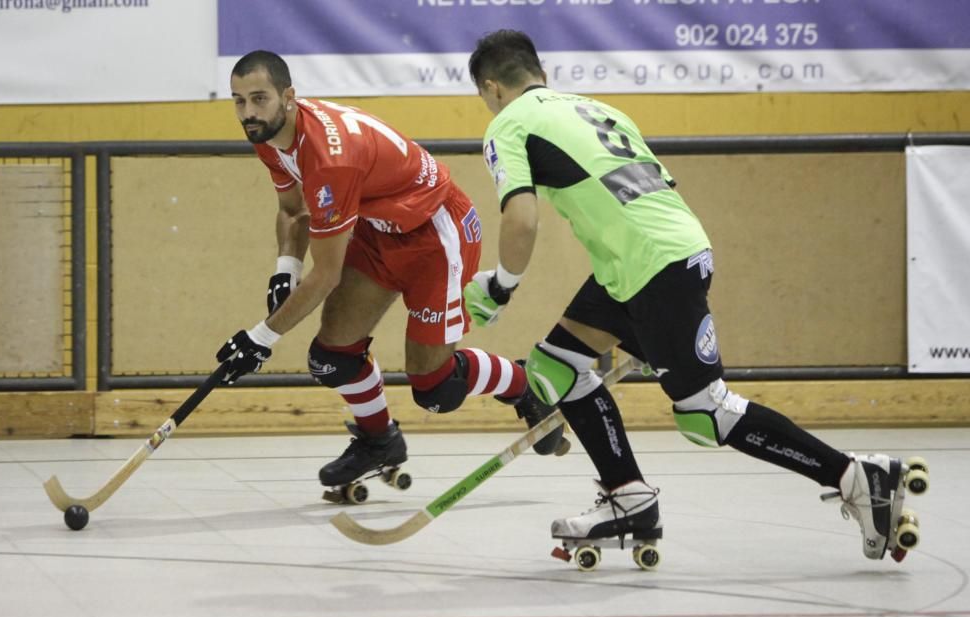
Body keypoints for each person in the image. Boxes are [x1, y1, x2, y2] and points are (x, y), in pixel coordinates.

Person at [463, 30, 929, 561]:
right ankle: (628, 498)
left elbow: (521, 217)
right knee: (558, 364)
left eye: (485, 96)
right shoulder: (597, 109)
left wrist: (500, 286)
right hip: (655, 255)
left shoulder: (508, 123)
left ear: (492, 86)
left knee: (706, 414)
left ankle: (855, 476)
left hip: (649, 265)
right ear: (540, 72)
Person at [216, 50, 568, 501]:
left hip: (436, 237)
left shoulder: (329, 158)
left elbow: (325, 276)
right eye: (238, 101)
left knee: (436, 390)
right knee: (332, 358)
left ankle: (524, 386)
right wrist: (286, 267)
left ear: (288, 97)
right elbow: (292, 210)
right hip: (381, 231)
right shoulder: (270, 135)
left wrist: (260, 338)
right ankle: (380, 441)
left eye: (258, 99)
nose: (248, 112)